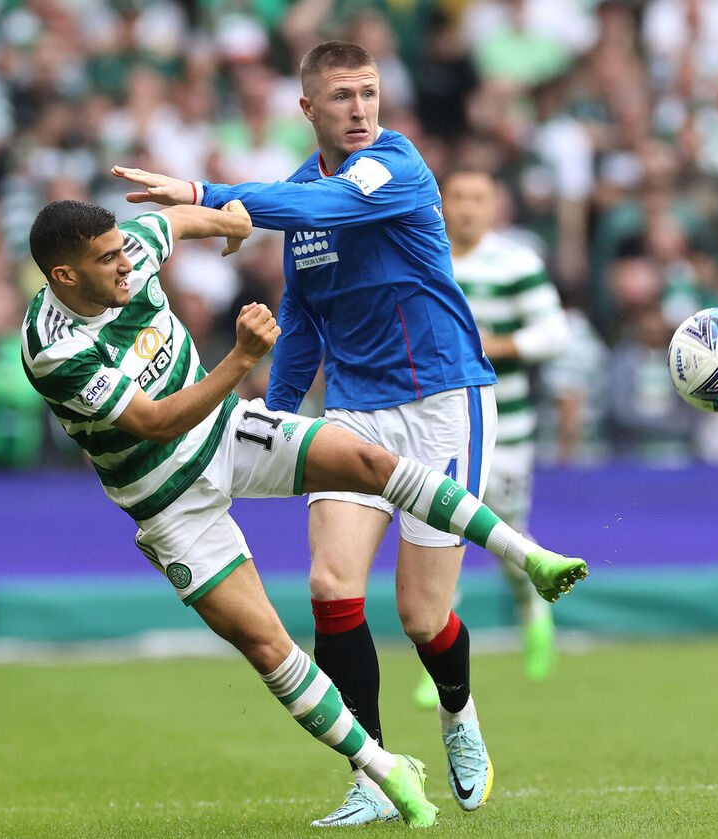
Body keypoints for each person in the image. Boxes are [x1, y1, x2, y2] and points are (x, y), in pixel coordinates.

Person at [112, 40, 587, 825]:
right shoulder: (300, 189)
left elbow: (323, 209)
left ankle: (459, 717)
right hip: (357, 409)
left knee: (422, 616)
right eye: (342, 97)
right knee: (333, 587)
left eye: (368, 92)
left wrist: (204, 191)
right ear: (308, 108)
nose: (360, 108)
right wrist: (280, 411)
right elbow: (302, 312)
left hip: (443, 399)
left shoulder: (397, 166)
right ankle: (373, 770)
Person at [22, 198, 586, 828]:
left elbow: (175, 220)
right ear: (65, 277)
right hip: (167, 499)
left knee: (370, 465)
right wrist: (240, 359)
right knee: (267, 646)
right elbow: (153, 425)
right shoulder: (55, 351)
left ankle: (529, 557)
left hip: (226, 431)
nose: (125, 264)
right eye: (107, 260)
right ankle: (382, 770)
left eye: (122, 249)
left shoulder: (131, 249)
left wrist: (232, 225)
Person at [434, 167, 572, 690]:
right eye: (458, 197)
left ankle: (532, 612)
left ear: (494, 208)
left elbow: (555, 333)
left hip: (506, 427)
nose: (467, 207)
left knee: (504, 533)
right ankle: (439, 646)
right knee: (440, 530)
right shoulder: (426, 257)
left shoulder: (515, 264)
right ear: (443, 203)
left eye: (478, 198)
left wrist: (498, 344)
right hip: (440, 425)